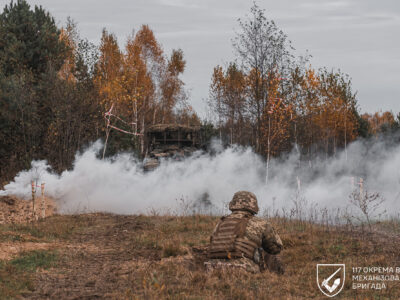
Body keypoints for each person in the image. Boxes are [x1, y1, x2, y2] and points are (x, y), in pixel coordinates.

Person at [205, 191, 284, 274]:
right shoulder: (261, 223)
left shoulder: (221, 222)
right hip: (243, 270)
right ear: (253, 205)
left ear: (233, 203)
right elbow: (275, 248)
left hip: (213, 269)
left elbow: (212, 243)